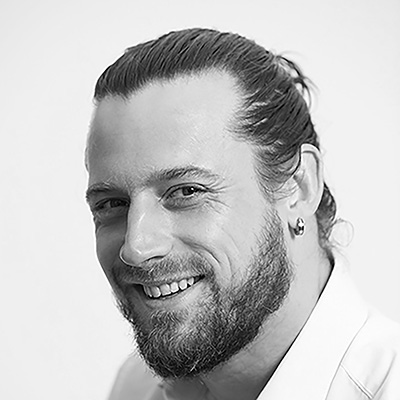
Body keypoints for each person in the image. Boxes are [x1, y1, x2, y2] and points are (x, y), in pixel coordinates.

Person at [85, 28, 400, 400]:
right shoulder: (136, 387)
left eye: (186, 192)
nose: (137, 247)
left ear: (298, 187)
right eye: (111, 204)